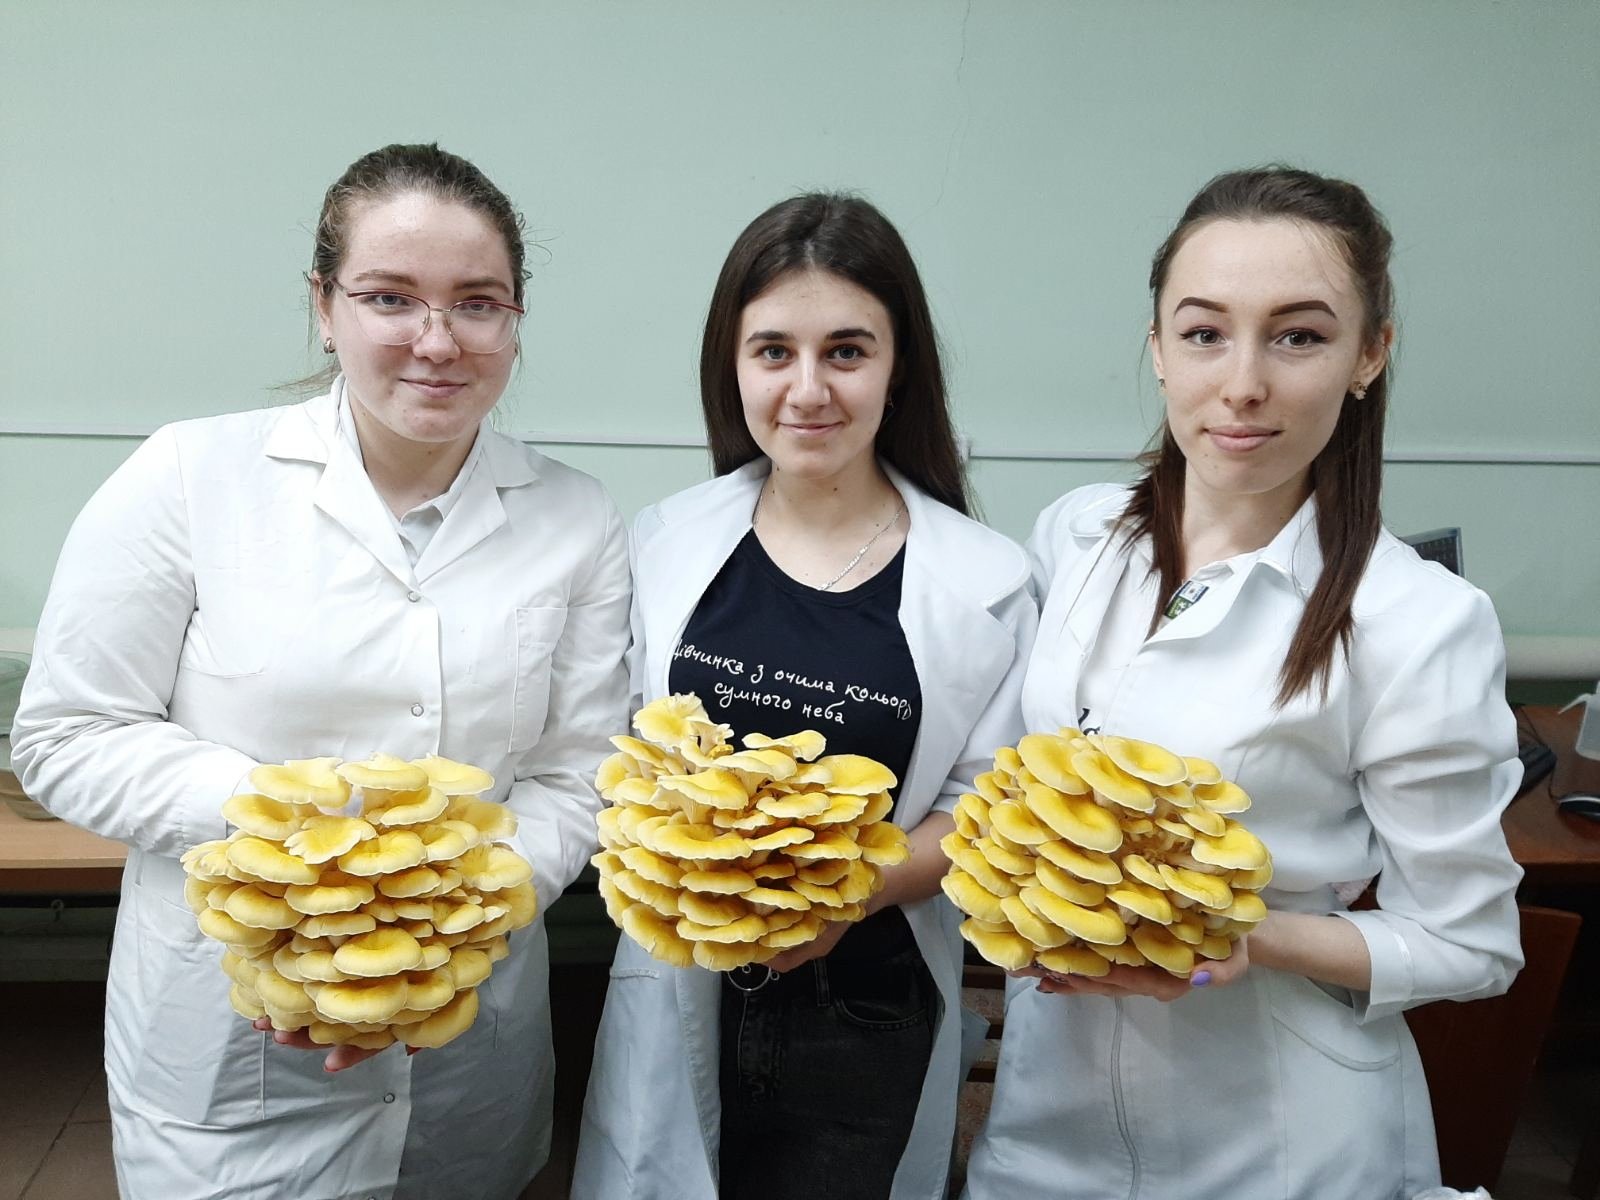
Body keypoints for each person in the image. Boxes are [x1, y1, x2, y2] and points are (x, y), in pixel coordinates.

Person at [11, 143, 630, 1200]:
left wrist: (437, 935)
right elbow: (67, 734)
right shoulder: (189, 476)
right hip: (229, 1043)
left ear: (514, 319)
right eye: (390, 297)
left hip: (468, 1035)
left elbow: (576, 773)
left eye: (477, 303)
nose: (437, 340)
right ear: (324, 306)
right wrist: (314, 854)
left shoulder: (575, 517)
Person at [960, 166, 1524, 1198]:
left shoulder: (1417, 620)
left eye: (1298, 336)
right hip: (1045, 1111)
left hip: (1277, 1135)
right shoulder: (1076, 534)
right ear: (1157, 346)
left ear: (1369, 354)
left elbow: (1468, 945)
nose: (1243, 383)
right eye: (1204, 333)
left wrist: (1239, 937)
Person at [572, 193, 1036, 1200]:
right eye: (773, 351)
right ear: (732, 364)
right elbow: (611, 754)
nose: (808, 389)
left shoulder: (988, 581)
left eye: (847, 351)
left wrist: (836, 898)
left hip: (866, 1004)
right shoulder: (664, 541)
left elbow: (985, 807)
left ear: (899, 366)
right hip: (683, 982)